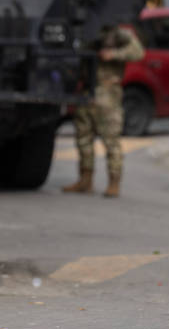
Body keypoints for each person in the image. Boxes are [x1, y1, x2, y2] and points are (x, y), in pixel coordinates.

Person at [62, 24, 144, 198]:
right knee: (83, 138)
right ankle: (85, 179)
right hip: (87, 92)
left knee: (111, 140)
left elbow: (138, 52)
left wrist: (113, 54)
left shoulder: (118, 34)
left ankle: (113, 182)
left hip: (108, 94)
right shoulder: (84, 31)